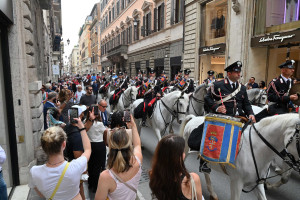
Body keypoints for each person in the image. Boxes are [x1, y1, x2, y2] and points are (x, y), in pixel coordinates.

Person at [203, 61, 255, 173]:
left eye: (239, 72)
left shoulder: (242, 88)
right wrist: (216, 108)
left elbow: (246, 104)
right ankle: (204, 160)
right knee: (206, 132)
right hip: (223, 117)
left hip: (240, 117)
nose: (239, 74)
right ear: (229, 73)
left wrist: (251, 113)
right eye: (236, 72)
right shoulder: (218, 85)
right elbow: (207, 98)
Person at [28, 118, 91, 200]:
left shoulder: (34, 171)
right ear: (64, 144)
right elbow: (88, 149)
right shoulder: (75, 166)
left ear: (43, 147)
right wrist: (82, 128)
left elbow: (41, 194)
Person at [95, 115, 142, 200]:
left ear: (110, 146)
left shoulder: (105, 176)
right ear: (129, 143)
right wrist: (133, 125)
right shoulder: (137, 161)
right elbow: (137, 145)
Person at [149, 135, 203, 200]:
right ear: (176, 157)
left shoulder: (153, 173)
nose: (184, 154)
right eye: (182, 152)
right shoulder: (192, 179)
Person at [85, 107, 107, 193]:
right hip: (99, 145)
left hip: (90, 145)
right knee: (98, 167)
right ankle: (95, 186)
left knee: (90, 165)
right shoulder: (100, 124)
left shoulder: (86, 123)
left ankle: (90, 183)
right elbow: (105, 132)